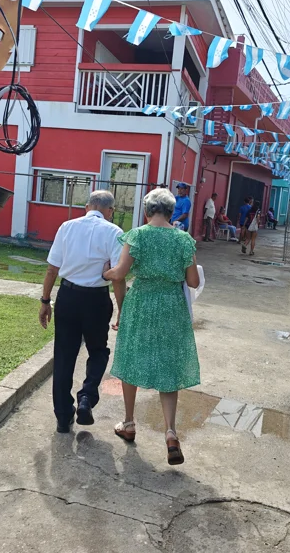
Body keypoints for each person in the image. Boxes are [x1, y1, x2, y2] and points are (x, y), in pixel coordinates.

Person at [103, 188, 200, 465]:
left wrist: (106, 272)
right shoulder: (184, 240)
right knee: (169, 366)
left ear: (147, 212)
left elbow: (120, 273)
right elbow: (192, 282)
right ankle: (170, 432)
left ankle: (129, 423)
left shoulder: (138, 235)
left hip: (141, 302)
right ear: (171, 212)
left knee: (131, 358)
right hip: (171, 306)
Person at [40, 191, 127, 434]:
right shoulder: (114, 232)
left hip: (67, 297)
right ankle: (87, 397)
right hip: (97, 300)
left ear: (87, 206)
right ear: (109, 211)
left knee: (64, 355)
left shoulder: (67, 226)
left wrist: (45, 300)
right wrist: (122, 310)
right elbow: (118, 277)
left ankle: (62, 417)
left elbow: (51, 269)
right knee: (98, 351)